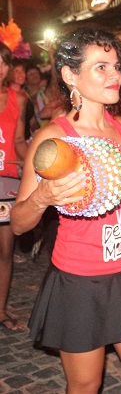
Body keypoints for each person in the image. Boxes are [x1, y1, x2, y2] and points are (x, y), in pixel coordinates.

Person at [10, 28, 121, 392]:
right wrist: (42, 198)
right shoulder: (54, 138)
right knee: (85, 386)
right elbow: (19, 223)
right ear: (70, 75)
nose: (115, 75)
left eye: (116, 66)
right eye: (101, 67)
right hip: (78, 279)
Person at [0, 42, 28, 331]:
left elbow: (19, 142)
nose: (0, 67)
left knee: (5, 250)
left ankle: (1, 309)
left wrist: (31, 168)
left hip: (7, 181)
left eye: (5, 62)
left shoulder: (17, 99)